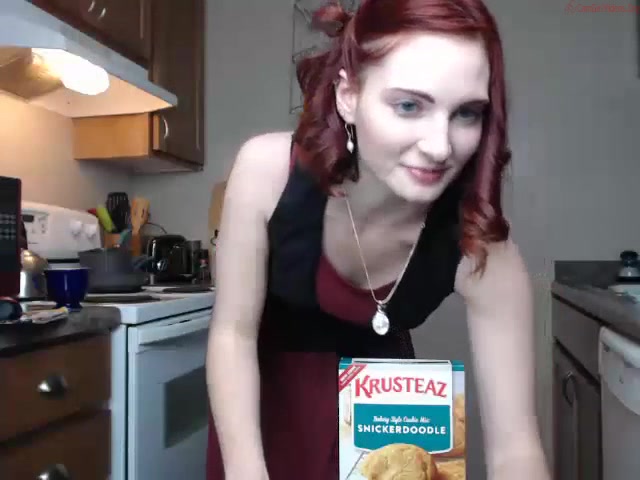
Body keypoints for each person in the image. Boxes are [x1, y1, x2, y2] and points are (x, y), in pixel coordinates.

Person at [205, 0, 550, 478]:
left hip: (381, 441)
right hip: (260, 434)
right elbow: (233, 335)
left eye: (467, 113)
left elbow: (516, 450)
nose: (440, 146)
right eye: (409, 105)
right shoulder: (266, 173)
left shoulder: (483, 249)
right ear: (348, 95)